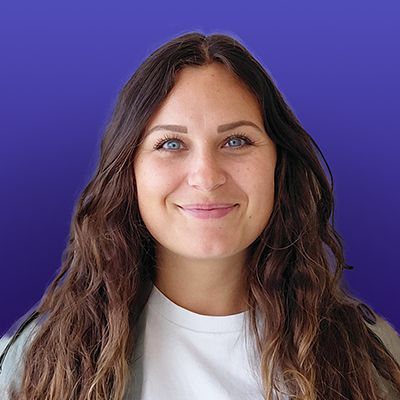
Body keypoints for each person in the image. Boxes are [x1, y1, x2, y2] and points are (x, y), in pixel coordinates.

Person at [0, 31, 399, 400]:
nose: (206, 177)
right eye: (171, 144)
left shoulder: (374, 360)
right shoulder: (32, 366)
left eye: (236, 141)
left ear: (279, 165)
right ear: (129, 171)